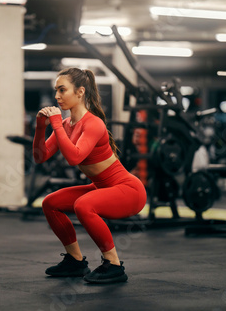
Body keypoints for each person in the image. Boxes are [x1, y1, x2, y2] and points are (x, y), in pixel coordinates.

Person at [33, 68, 147, 284]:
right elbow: (40, 156)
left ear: (80, 92)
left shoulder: (93, 123)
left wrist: (56, 122)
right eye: (56, 90)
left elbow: (74, 157)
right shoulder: (66, 125)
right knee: (50, 203)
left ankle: (113, 264)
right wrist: (41, 126)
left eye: (62, 90)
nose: (57, 96)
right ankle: (75, 261)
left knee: (83, 205)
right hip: (102, 187)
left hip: (129, 191)